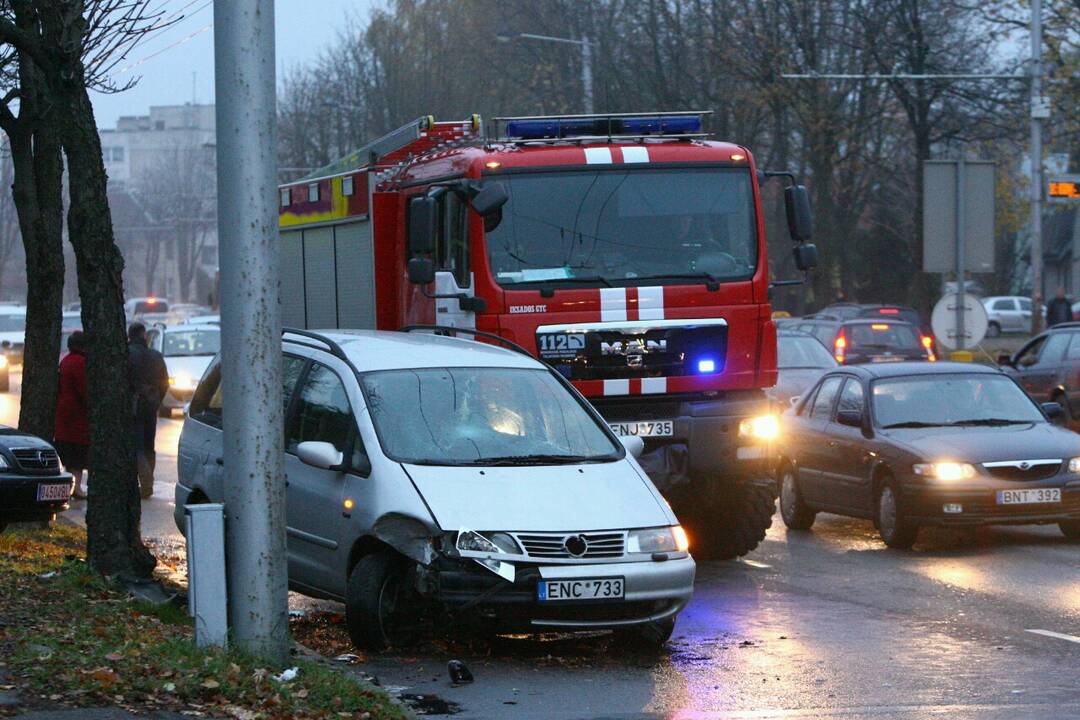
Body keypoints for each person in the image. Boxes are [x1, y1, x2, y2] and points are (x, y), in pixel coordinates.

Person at [127, 322, 168, 499]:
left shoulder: (126, 355)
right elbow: (164, 382)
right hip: (150, 406)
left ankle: (144, 480)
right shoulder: (156, 356)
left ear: (129, 336)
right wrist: (156, 399)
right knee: (149, 446)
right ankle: (148, 480)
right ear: (144, 335)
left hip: (133, 407)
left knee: (136, 446)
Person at [54, 331, 89, 499]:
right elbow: (84, 390)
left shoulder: (65, 361)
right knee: (78, 454)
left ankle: (69, 486)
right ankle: (76, 488)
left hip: (63, 414)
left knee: (67, 452)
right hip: (77, 415)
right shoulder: (81, 363)